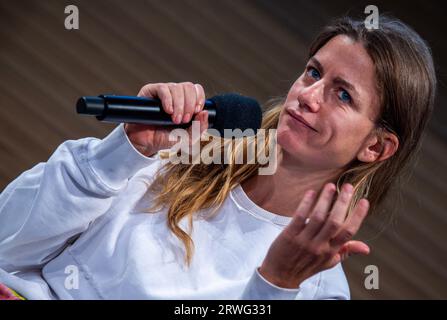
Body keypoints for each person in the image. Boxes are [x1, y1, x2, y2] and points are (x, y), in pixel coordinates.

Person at [0, 15, 436, 300]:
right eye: (313, 73)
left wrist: (276, 284)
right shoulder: (175, 150)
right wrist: (123, 151)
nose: (307, 97)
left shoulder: (315, 284)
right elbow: (8, 244)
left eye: (342, 94)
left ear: (375, 147)